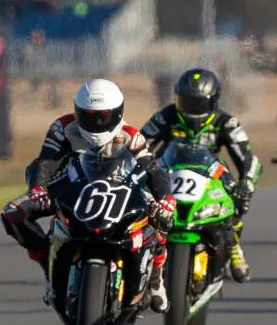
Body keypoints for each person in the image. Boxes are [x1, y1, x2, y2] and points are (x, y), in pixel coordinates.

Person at [2, 79, 175, 312]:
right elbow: (47, 161)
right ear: (77, 112)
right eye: (89, 117)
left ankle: (156, 279)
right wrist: (38, 188)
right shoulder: (63, 128)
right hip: (69, 187)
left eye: (103, 117)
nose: (97, 124)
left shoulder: (132, 136)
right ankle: (48, 265)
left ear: (117, 113)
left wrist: (165, 198)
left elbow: (153, 169)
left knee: (162, 216)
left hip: (118, 191)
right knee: (13, 213)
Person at [141, 67, 262, 283]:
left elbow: (248, 158)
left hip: (210, 170)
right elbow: (140, 142)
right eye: (186, 102)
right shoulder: (165, 116)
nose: (191, 109)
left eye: (198, 104)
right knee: (143, 198)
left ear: (213, 102)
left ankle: (233, 245)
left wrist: (247, 182)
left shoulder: (226, 122)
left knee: (236, 195)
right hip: (168, 168)